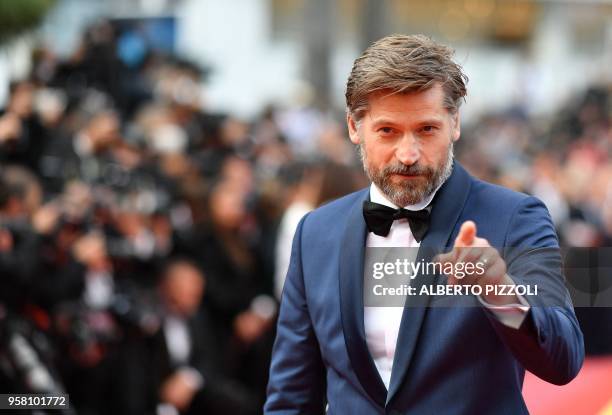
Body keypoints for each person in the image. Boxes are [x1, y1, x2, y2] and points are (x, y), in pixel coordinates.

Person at [265, 34, 584, 414]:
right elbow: (291, 396)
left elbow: (564, 361)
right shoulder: (315, 232)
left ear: (455, 124)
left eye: (427, 129)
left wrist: (499, 292)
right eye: (388, 131)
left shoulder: (515, 218)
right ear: (354, 127)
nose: (409, 153)